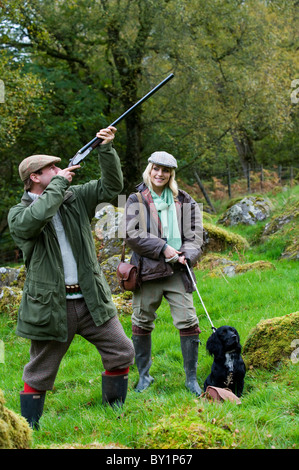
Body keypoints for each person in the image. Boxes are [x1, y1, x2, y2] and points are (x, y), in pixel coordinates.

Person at [8, 127, 135, 429]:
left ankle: (112, 415)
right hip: (52, 306)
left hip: (91, 299)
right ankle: (29, 430)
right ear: (34, 178)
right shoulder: (18, 213)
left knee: (122, 352)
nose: (59, 169)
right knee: (40, 372)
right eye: (50, 168)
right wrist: (58, 186)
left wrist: (105, 149)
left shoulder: (74, 197)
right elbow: (35, 220)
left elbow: (112, 187)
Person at [125, 151, 203, 396]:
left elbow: (196, 236)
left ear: (172, 174)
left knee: (188, 322)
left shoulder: (185, 199)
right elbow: (132, 234)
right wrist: (163, 248)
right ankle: (144, 377)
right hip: (147, 272)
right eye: (156, 169)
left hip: (178, 271)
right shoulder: (135, 198)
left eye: (165, 170)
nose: (160, 174)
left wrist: (186, 255)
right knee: (141, 322)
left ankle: (191, 379)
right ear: (149, 169)